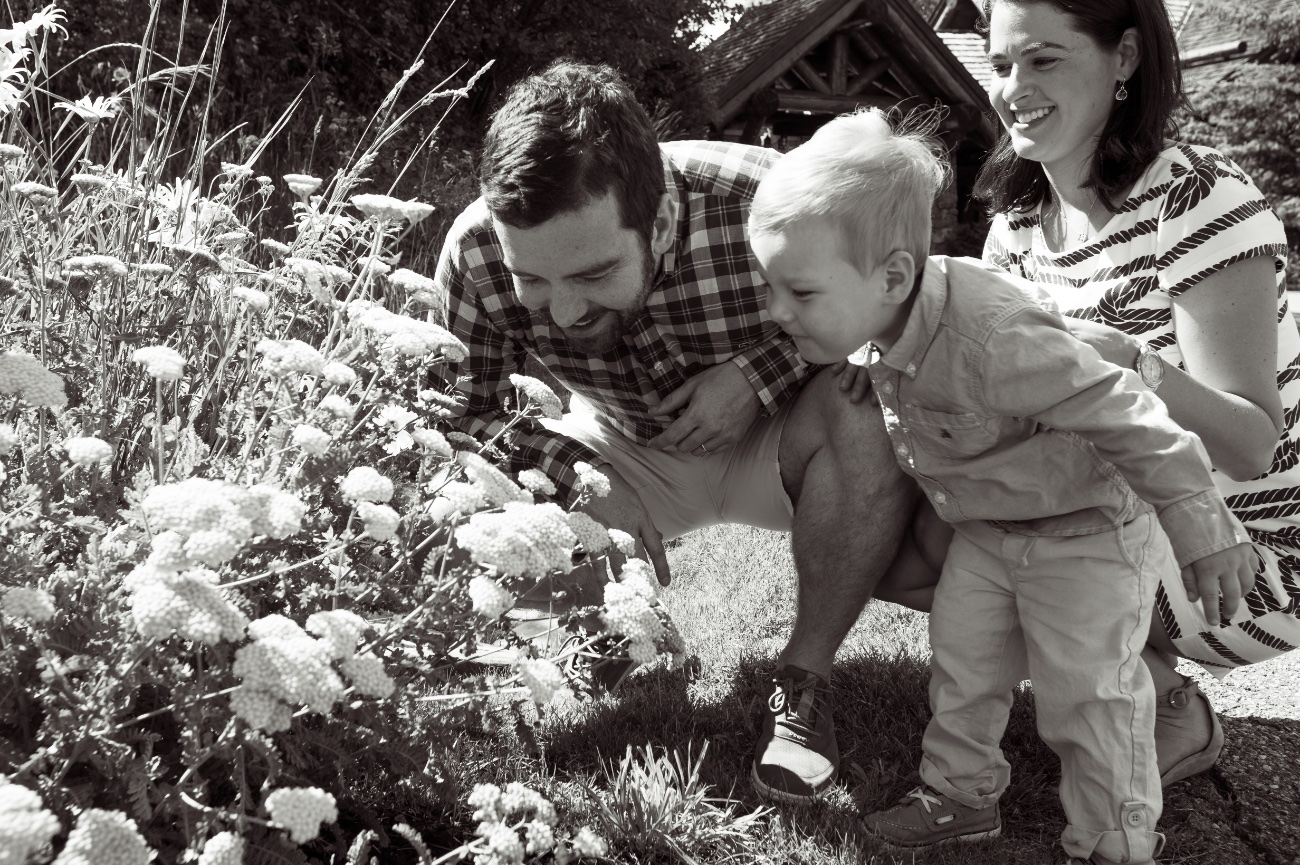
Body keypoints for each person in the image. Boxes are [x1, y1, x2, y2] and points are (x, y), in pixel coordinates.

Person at [747, 108, 1254, 865]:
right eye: (770, 286)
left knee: (1089, 696)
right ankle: (960, 796)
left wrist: (1197, 517)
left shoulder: (992, 337)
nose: (776, 310)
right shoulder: (888, 318)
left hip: (1085, 534)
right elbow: (889, 336)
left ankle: (1114, 840)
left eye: (800, 292)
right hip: (990, 531)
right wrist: (864, 350)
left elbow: (1122, 409)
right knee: (964, 668)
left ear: (892, 276)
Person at [428, 60, 917, 805]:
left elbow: (897, 304)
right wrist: (581, 475)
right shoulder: (474, 254)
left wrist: (758, 374)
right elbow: (462, 420)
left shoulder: (768, 198)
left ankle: (802, 685)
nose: (564, 312)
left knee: (868, 407)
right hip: (618, 442)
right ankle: (631, 643)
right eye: (533, 282)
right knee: (477, 498)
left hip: (785, 435)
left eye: (593, 274)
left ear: (657, 223)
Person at [872, 0, 1299, 791]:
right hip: (1115, 510)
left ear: (1125, 58)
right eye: (1003, 65)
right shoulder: (1016, 228)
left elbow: (1250, 443)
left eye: (1044, 60)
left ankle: (1164, 706)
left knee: (995, 545)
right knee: (901, 532)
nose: (1013, 88)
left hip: (1246, 555)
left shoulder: (1198, 194)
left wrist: (1129, 359)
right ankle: (1143, 689)